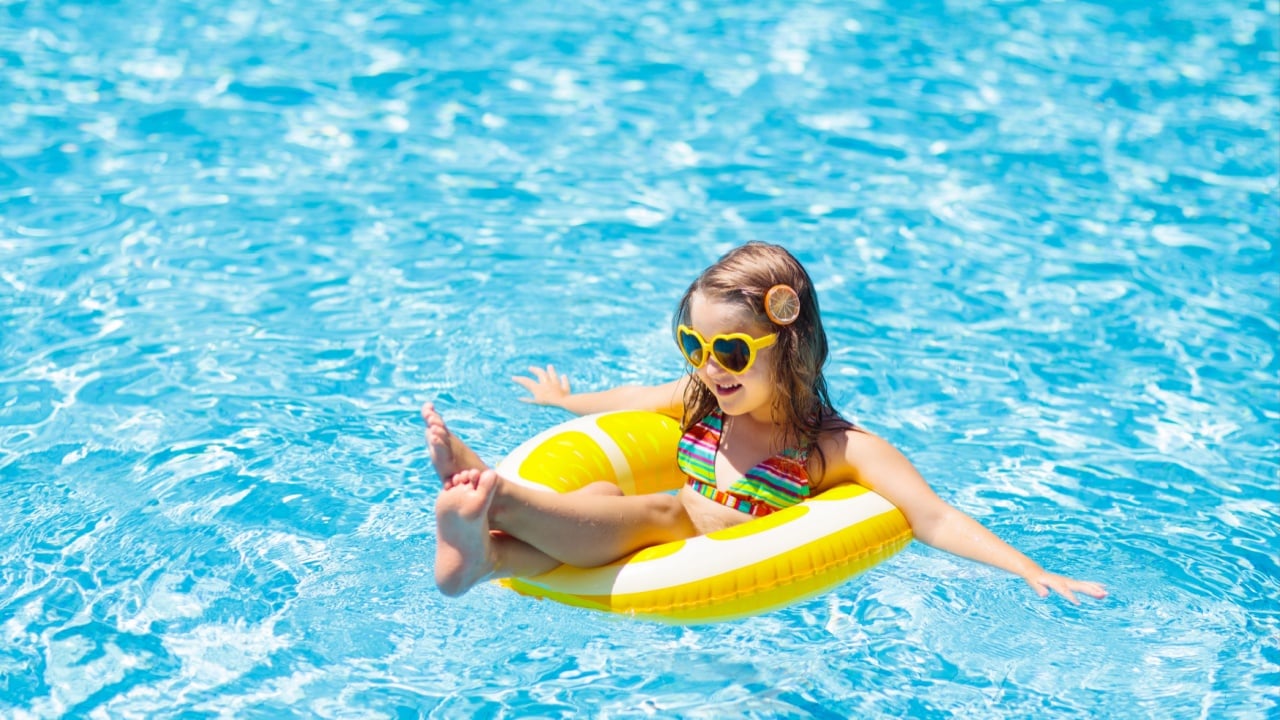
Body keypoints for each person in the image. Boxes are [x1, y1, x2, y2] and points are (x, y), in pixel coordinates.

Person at [426, 241, 1107, 605]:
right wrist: (564, 402)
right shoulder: (700, 396)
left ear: (788, 342)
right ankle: (485, 558)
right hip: (656, 528)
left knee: (666, 512)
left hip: (697, 535)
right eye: (694, 348)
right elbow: (633, 400)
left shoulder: (834, 447)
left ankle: (496, 496)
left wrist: (1029, 570)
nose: (711, 368)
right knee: (603, 497)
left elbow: (932, 516)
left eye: (729, 351)